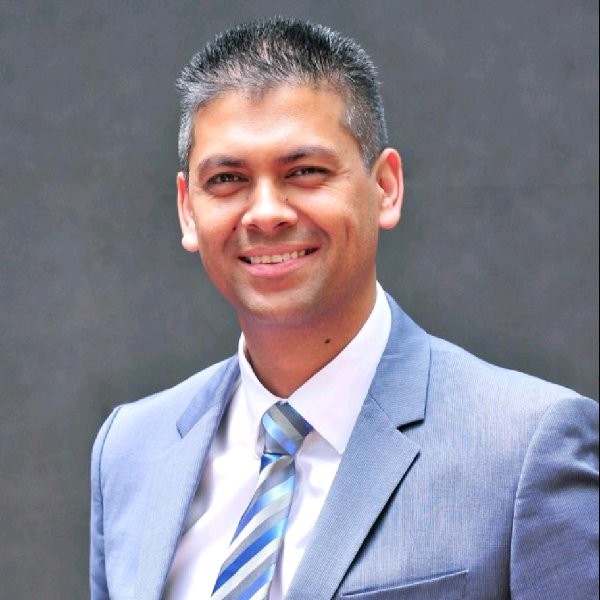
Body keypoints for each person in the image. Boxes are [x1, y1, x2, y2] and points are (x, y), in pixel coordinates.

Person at [90, 17, 599, 600]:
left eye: (305, 172)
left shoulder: (526, 447)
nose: (265, 213)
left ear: (385, 187)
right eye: (227, 178)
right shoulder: (131, 449)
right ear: (188, 209)